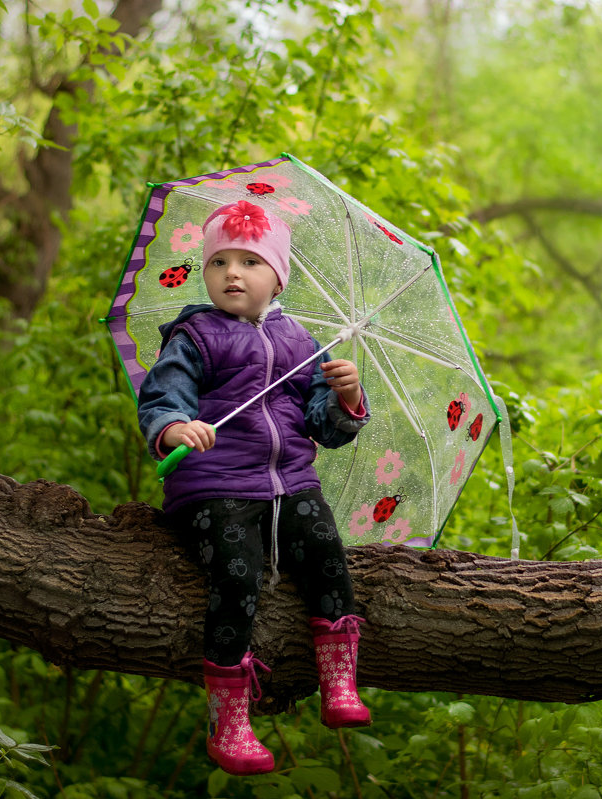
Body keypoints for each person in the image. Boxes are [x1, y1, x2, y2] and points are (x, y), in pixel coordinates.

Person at [137, 200, 372, 776]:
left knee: (326, 558)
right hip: (214, 484)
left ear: (278, 275)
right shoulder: (194, 336)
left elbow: (322, 425)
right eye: (218, 262)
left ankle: (337, 681)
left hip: (290, 483)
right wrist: (174, 428)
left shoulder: (301, 343)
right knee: (237, 572)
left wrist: (345, 399)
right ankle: (229, 717)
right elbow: (162, 396)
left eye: (248, 261)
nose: (232, 273)